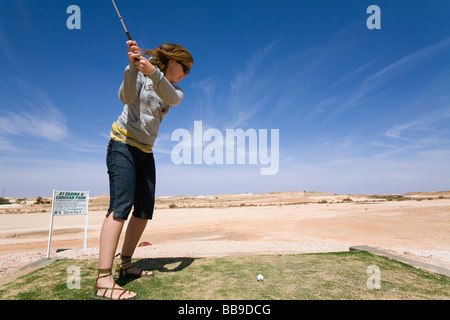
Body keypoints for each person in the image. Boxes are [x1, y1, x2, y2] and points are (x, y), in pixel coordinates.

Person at [92, 40, 193, 300]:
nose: (186, 75)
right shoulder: (138, 74)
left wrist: (151, 71)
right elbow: (125, 97)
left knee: (145, 210)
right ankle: (103, 280)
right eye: (185, 68)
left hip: (145, 151)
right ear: (172, 61)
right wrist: (132, 67)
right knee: (120, 206)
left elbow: (171, 97)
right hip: (123, 143)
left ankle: (125, 264)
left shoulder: (176, 91)